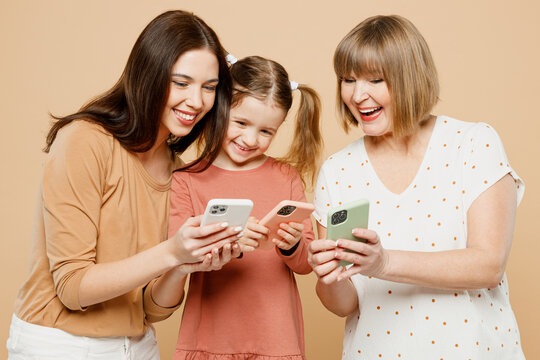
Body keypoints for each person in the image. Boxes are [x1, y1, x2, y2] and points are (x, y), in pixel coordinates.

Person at [7, 10, 243, 360]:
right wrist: (172, 252)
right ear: (148, 74)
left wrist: (184, 264)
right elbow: (73, 288)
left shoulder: (179, 172)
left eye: (209, 88)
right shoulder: (84, 142)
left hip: (137, 346)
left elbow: (151, 310)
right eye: (181, 83)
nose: (196, 102)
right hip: (59, 345)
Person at [308, 15, 525, 359]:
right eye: (347, 79)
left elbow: (488, 266)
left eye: (375, 79)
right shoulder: (338, 171)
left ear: (409, 78)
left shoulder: (472, 144)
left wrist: (383, 262)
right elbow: (344, 303)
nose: (357, 94)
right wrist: (329, 277)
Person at [162, 55, 322, 359]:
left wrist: (292, 246)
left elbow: (304, 265)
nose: (250, 139)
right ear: (220, 107)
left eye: (266, 132)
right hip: (210, 342)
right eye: (241, 123)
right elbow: (179, 258)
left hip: (276, 341)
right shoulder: (186, 180)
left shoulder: (286, 177)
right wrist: (230, 240)